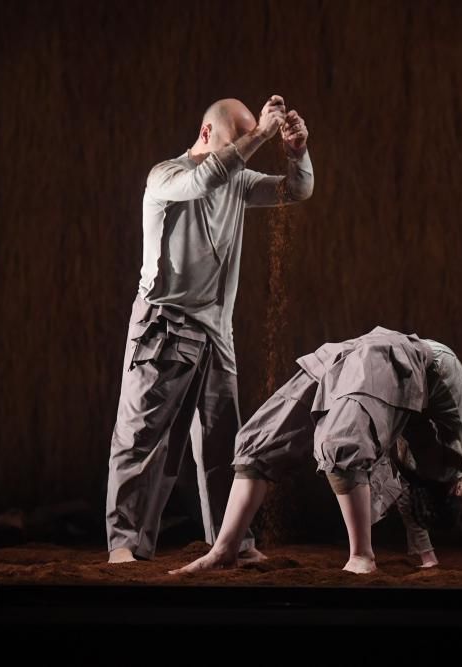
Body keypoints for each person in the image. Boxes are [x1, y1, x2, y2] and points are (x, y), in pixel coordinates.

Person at [105, 95, 315, 563]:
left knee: (226, 444)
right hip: (165, 327)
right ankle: (126, 545)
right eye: (237, 141)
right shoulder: (166, 177)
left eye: (250, 143)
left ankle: (232, 543)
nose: (246, 153)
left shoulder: (237, 183)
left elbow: (297, 191)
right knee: (143, 438)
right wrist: (260, 135)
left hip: (218, 334)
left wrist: (297, 151)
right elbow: (205, 178)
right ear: (206, 135)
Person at [170, 327, 462, 575]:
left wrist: (429, 563)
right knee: (333, 443)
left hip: (381, 358)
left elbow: (415, 520)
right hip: (425, 359)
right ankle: (225, 549)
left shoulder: (414, 482)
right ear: (456, 486)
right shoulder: (460, 448)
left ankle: (359, 556)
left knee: (266, 440)